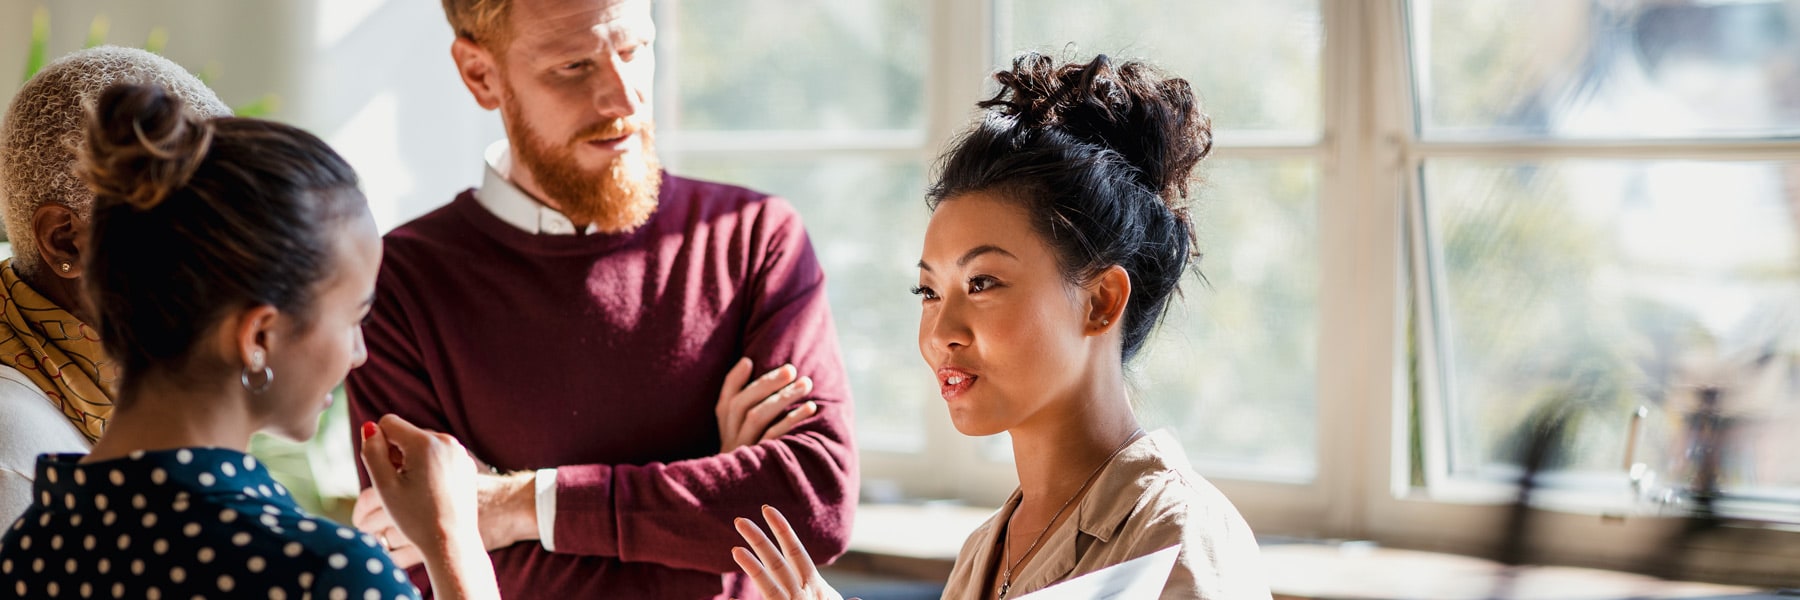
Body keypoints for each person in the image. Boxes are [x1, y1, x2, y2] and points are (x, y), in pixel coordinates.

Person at [344, 0, 857, 597]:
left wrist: (515, 506)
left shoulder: (753, 236)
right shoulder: (400, 282)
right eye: (573, 67)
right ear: (480, 75)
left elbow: (811, 506)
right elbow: (427, 563)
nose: (625, 97)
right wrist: (712, 485)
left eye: (635, 50)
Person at [731, 54, 1273, 599]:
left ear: (1101, 302)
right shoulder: (983, 552)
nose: (942, 332)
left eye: (982, 283)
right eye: (928, 292)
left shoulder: (1178, 536)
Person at [0, 82, 460, 599]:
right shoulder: (324, 575)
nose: (360, 353)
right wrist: (450, 540)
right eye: (355, 318)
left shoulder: (33, 545)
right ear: (258, 336)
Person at [0, 46, 232, 522]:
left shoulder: (120, 387)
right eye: (192, 223)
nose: (229, 257)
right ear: (67, 241)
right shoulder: (16, 454)